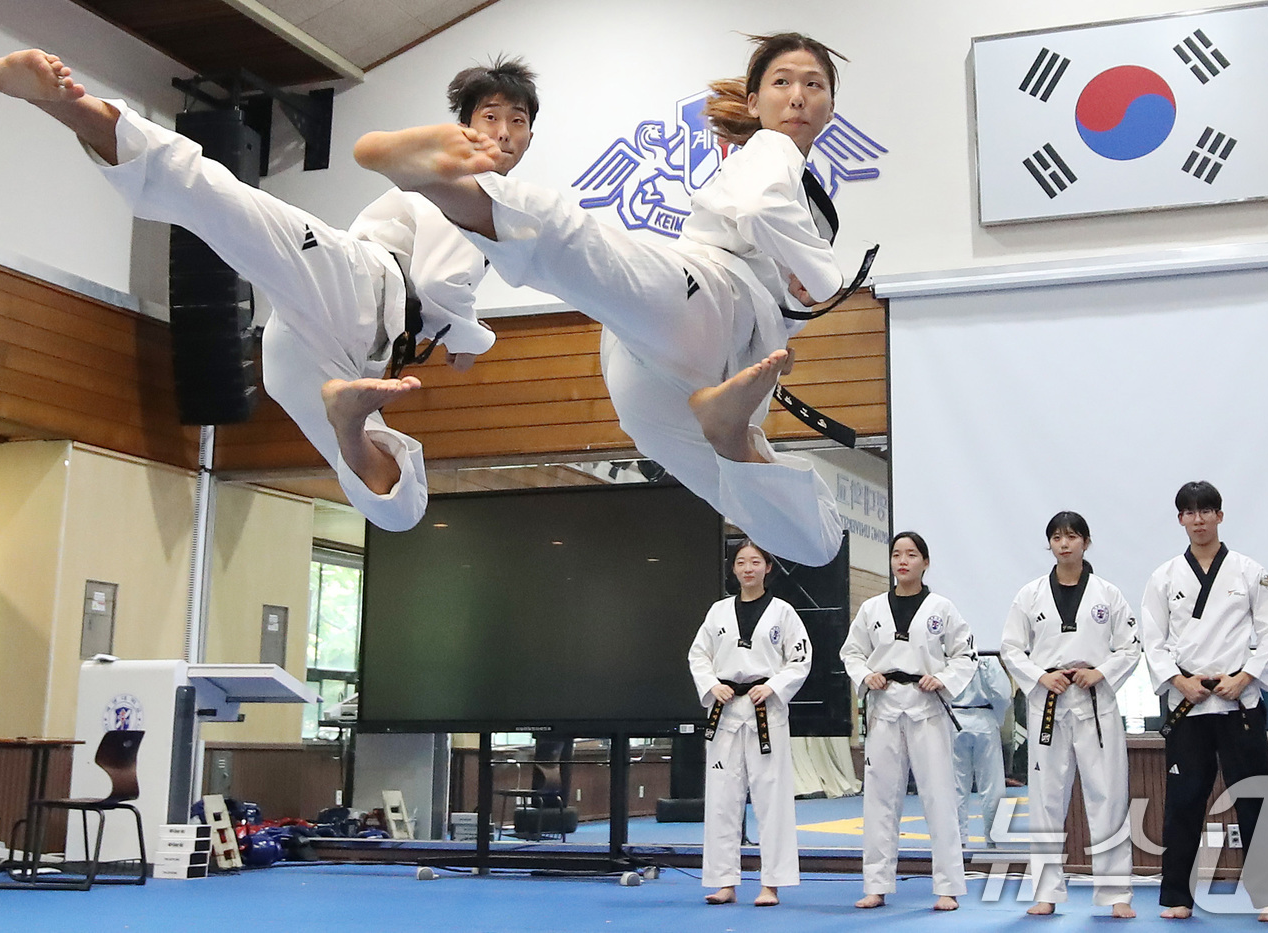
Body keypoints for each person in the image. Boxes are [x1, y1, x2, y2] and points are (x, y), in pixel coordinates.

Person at [0, 49, 538, 530]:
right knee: (220, 199)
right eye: (490, 117)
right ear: (464, 125)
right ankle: (59, 100)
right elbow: (441, 281)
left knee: (217, 202)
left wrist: (463, 333)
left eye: (517, 121)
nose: (504, 132)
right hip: (361, 287)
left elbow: (445, 284)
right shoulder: (471, 186)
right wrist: (471, 339)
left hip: (326, 345)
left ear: (532, 135)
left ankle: (347, 416)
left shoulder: (485, 201)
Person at [351, 33, 849, 566]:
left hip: (666, 380)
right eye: (783, 82)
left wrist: (788, 324)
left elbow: (776, 274)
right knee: (588, 250)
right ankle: (437, 180)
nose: (797, 96)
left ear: (830, 107)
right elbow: (759, 205)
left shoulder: (803, 189)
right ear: (755, 103)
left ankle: (732, 437)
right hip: (705, 303)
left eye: (812, 85)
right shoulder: (772, 149)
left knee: (818, 544)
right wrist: (824, 280)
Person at [1140, 481, 1268, 922]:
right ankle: (1176, 897)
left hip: (1238, 701)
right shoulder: (1164, 576)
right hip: (1189, 704)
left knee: (1255, 798)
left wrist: (1244, 676)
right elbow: (1154, 639)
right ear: (1180, 519)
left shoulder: (1249, 571)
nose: (1199, 519)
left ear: (1220, 516)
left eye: (1206, 511)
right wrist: (1178, 682)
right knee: (1184, 800)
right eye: (1190, 512)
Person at [999, 511, 1141, 918]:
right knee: (1045, 800)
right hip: (1049, 703)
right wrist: (1042, 677)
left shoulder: (1108, 594)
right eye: (1057, 537)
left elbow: (1130, 647)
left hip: (1096, 704)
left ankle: (1116, 893)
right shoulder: (1028, 595)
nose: (1065, 544)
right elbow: (1011, 649)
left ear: (1086, 542)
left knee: (1108, 795)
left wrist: (1101, 671)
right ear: (1050, 545)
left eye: (1072, 536)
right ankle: (1046, 891)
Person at [840, 531, 976, 910]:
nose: (903, 561)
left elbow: (965, 655)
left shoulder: (942, 608)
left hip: (926, 705)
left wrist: (944, 678)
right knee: (880, 800)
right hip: (884, 706)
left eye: (912, 554)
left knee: (939, 797)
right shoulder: (871, 609)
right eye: (897, 554)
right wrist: (866, 675)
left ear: (925, 562)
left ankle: (948, 886)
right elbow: (851, 652)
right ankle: (876, 885)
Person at [687, 540, 812, 907]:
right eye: (741, 562)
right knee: (723, 800)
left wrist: (773, 686)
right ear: (734, 569)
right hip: (725, 712)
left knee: (771, 799)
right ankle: (725, 881)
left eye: (755, 562)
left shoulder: (784, 613)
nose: (748, 568)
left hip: (765, 713)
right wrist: (712, 685)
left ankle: (771, 883)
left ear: (768, 567)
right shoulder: (718, 612)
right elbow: (699, 656)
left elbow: (800, 660)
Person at [951, 653, 1012, 848]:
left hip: (952, 718)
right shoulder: (987, 656)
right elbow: (1003, 693)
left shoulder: (949, 651)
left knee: (956, 784)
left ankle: (958, 839)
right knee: (992, 784)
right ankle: (994, 838)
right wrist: (997, 717)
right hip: (984, 719)